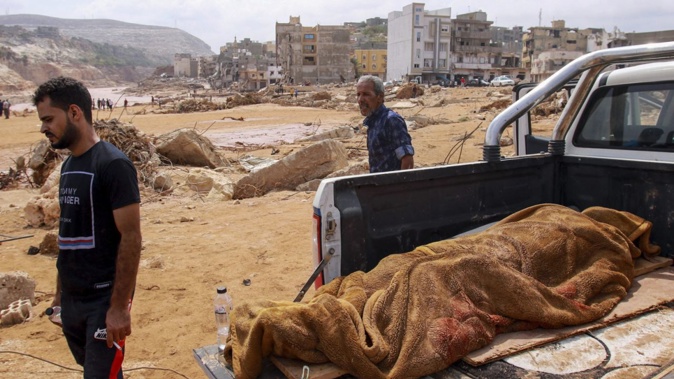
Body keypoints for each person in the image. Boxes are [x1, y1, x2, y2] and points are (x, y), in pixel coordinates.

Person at [32, 76, 142, 379]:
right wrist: (59, 295)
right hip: (72, 300)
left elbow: (131, 238)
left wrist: (119, 307)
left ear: (74, 113)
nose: (43, 128)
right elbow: (67, 234)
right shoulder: (68, 166)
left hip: (103, 300)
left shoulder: (113, 165)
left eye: (48, 119)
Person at [356, 75, 414, 173]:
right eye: (358, 94)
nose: (360, 99)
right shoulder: (373, 121)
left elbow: (407, 160)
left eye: (366, 94)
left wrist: (401, 186)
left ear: (380, 97)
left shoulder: (391, 120)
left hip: (391, 186)